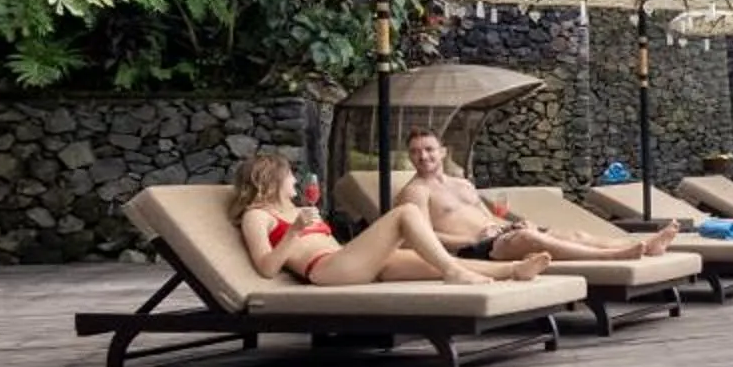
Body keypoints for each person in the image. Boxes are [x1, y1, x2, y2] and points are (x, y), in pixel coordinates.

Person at [228, 151, 552, 286]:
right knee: (406, 213)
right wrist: (294, 232)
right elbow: (266, 268)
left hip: (346, 259)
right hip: (326, 270)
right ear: (270, 180)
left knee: (425, 260)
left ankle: (513, 269)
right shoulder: (257, 216)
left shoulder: (295, 209)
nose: (295, 182)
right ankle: (454, 270)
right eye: (289, 177)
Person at [391, 130, 680, 262]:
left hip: (499, 234)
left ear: (442, 152)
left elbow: (487, 215)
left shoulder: (462, 184)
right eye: (416, 152)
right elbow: (417, 236)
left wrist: (512, 224)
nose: (423, 156)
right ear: (410, 157)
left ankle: (644, 244)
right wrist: (470, 240)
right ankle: (615, 256)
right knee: (534, 241)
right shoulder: (415, 192)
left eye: (429, 149)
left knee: (574, 234)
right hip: (474, 250)